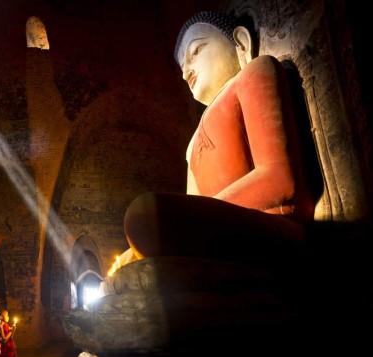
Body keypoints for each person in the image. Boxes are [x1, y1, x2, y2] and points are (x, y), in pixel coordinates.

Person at [115, 11, 315, 269]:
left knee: (145, 214)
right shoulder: (192, 142)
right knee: (137, 242)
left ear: (240, 43)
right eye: (182, 68)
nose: (186, 72)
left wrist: (195, 215)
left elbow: (280, 179)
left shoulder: (255, 73)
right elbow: (195, 207)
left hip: (272, 223)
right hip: (213, 230)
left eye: (196, 51)